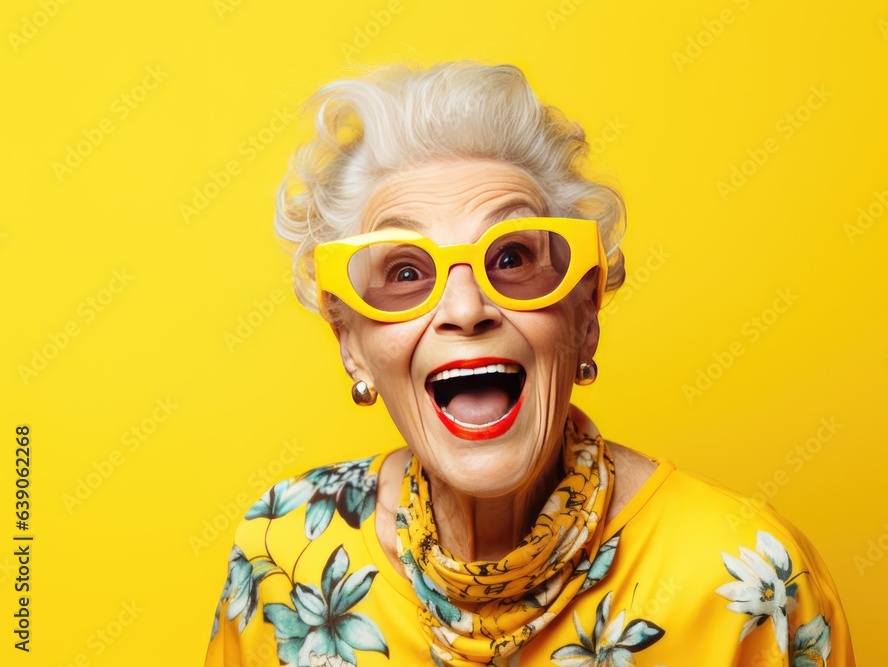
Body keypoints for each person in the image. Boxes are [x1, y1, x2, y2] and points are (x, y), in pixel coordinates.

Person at [205, 61, 855, 667]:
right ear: (351, 342)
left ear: (585, 313)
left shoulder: (747, 580)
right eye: (406, 271)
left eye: (511, 258)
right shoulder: (283, 552)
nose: (466, 307)